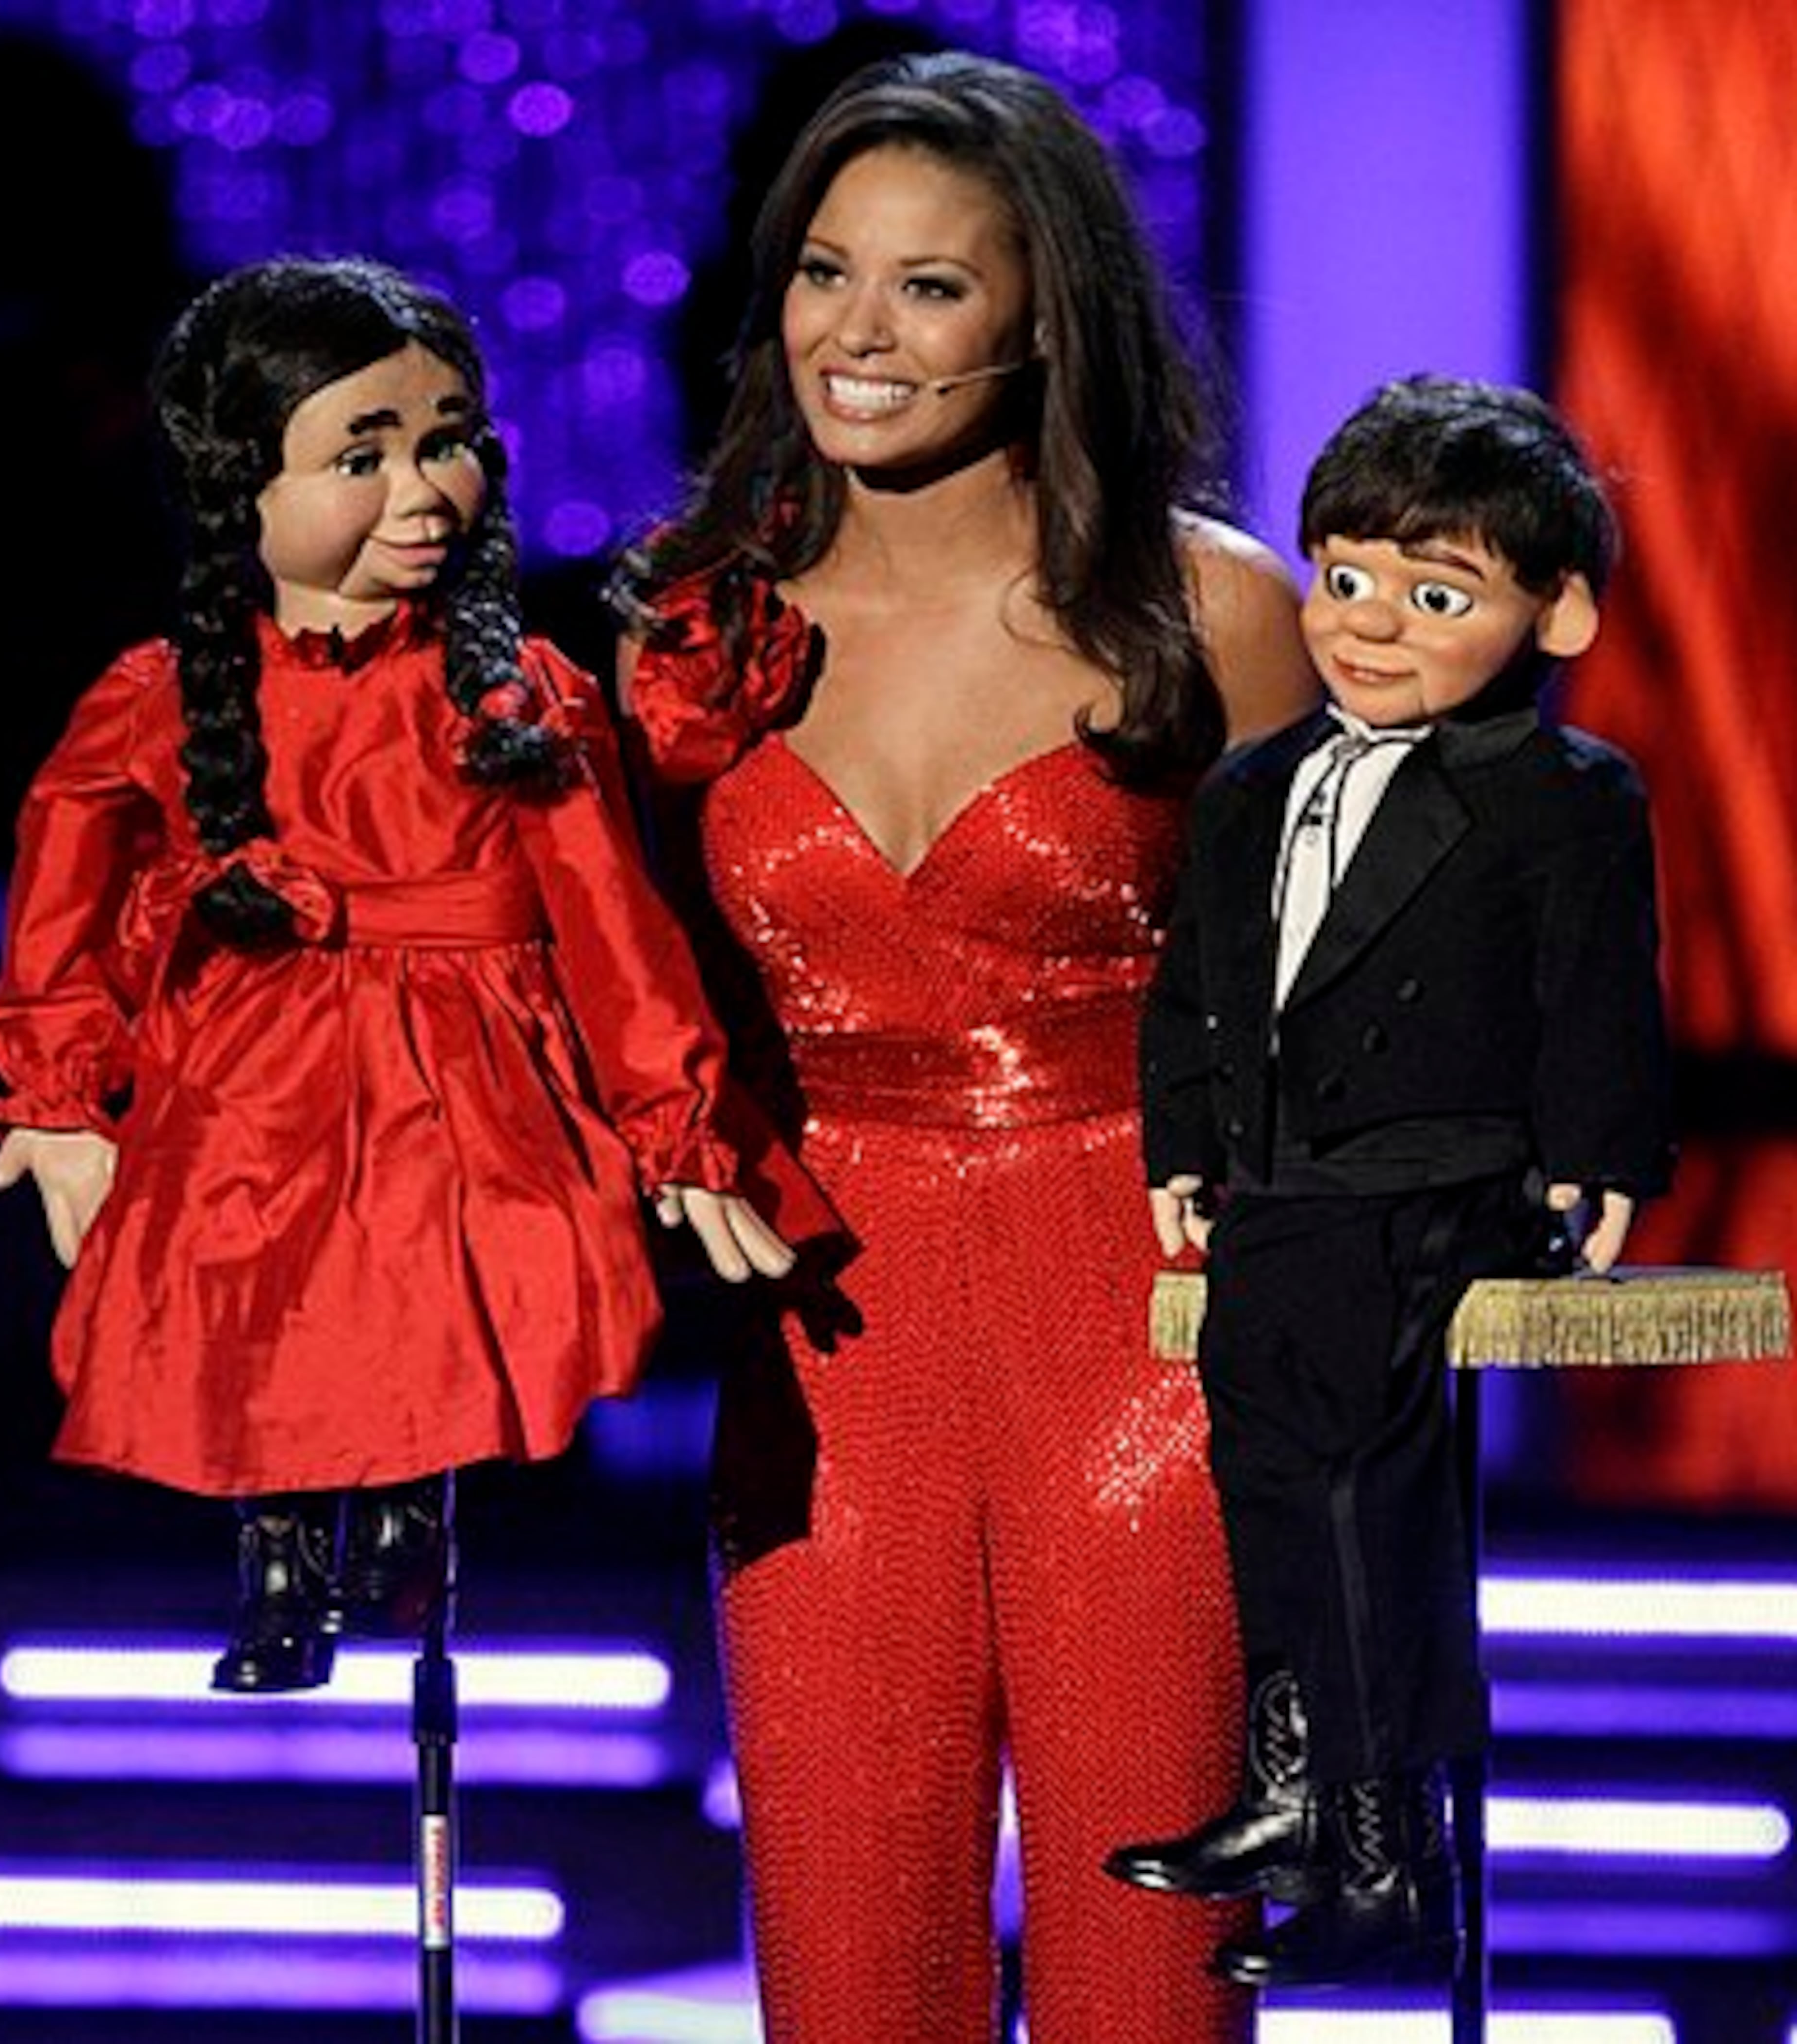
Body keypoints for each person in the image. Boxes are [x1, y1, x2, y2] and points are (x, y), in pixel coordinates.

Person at [613, 50, 1319, 2044]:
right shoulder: (691, 635)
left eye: (930, 285)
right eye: (826, 271)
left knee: (1150, 1967)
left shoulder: (1212, 612)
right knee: (848, 1969)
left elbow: (1344, 1000)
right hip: (833, 1358)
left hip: (1151, 1347)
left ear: (1044, 314)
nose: (860, 331)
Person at [0, 255, 794, 1697]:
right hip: (255, 1068)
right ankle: (278, 1567)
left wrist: (678, 1124)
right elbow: (65, 884)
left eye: (447, 443)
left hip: (459, 1066)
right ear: (244, 485)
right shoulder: (165, 694)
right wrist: (57, 1094)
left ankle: (414, 1515)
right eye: (364, 457)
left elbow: (613, 926)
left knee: (435, 1276)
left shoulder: (515, 694)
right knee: (254, 1290)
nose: (425, 492)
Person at [1109, 373, 1675, 1987]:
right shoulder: (1256, 786)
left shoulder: (1559, 796)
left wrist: (1601, 1155)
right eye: (1346, 578)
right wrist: (1185, 1141)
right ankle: (1295, 1790)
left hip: (1444, 1173)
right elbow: (1200, 988)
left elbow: (1597, 990)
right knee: (1263, 1473)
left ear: (1558, 617)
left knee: (1363, 1483)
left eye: (1435, 597)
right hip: (1282, 1184)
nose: (1369, 624)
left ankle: (1384, 1842)